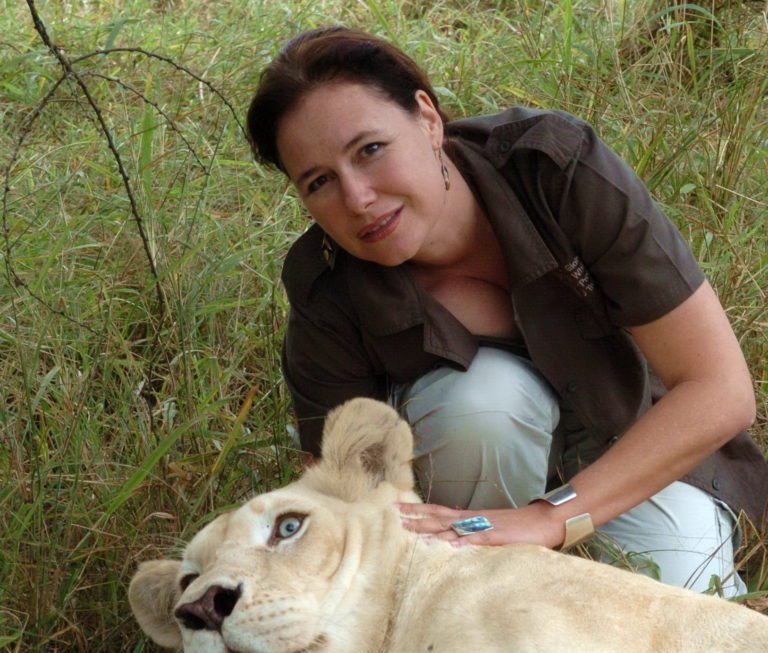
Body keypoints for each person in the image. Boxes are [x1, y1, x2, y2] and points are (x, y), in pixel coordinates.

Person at [245, 25, 768, 597]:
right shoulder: (326, 286)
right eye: (319, 182)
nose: (357, 198)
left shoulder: (554, 168)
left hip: (626, 446)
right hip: (462, 511)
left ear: (427, 118)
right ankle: (482, 611)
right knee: (485, 400)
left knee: (688, 602)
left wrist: (549, 518)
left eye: (370, 150)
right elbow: (342, 497)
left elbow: (721, 389)